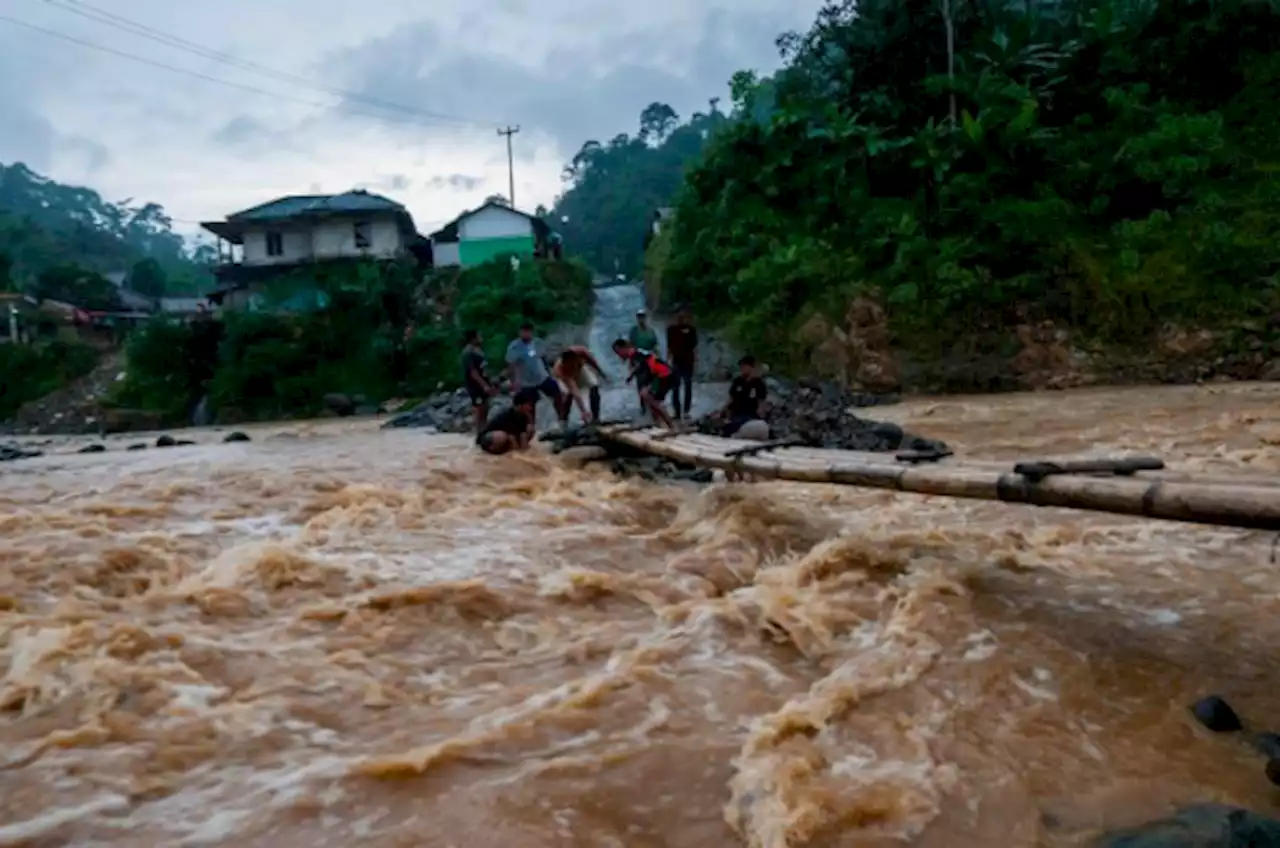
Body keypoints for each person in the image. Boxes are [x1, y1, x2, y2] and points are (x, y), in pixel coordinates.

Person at [612, 338, 675, 429]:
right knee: (651, 400)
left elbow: (647, 367)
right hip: (662, 374)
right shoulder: (636, 354)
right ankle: (658, 425)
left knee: (647, 396)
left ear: (624, 348)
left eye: (619, 352)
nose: (619, 356)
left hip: (663, 375)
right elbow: (640, 366)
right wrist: (631, 376)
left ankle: (670, 426)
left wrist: (647, 386)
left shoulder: (636, 355)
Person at [505, 322, 562, 416]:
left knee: (557, 394)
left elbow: (544, 359)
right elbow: (511, 365)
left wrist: (550, 374)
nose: (525, 334)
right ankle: (531, 426)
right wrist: (513, 382)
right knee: (530, 405)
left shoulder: (538, 343)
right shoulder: (514, 347)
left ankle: (561, 418)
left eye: (528, 331)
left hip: (541, 377)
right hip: (526, 382)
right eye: (523, 331)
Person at [552, 345, 606, 427]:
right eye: (569, 364)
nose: (571, 365)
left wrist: (601, 372)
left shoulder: (581, 352)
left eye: (573, 362)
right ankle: (563, 420)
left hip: (580, 370)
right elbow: (575, 391)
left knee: (594, 385)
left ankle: (596, 417)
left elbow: (592, 362)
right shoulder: (560, 369)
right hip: (567, 377)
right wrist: (583, 411)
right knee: (568, 394)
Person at [476, 388, 538, 455]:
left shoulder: (523, 415)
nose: (531, 407)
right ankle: (492, 452)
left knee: (530, 429)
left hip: (507, 438)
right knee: (502, 436)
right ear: (520, 405)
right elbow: (511, 438)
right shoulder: (507, 415)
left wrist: (526, 452)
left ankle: (505, 450)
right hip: (486, 439)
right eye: (529, 404)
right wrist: (518, 454)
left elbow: (523, 435)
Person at [719, 356, 769, 438]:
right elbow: (731, 399)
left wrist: (761, 415)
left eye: (744, 366)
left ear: (751, 367)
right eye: (741, 367)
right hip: (736, 413)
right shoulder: (738, 381)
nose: (742, 369)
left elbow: (761, 402)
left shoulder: (759, 384)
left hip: (750, 415)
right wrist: (723, 412)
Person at [461, 328, 498, 432]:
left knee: (486, 407)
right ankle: (478, 433)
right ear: (473, 338)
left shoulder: (479, 351)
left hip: (484, 383)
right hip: (475, 386)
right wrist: (484, 385)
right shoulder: (468, 352)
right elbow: (473, 373)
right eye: (479, 336)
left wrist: (491, 384)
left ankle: (483, 431)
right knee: (479, 408)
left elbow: (484, 369)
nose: (481, 338)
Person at [665, 305, 698, 420]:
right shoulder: (671, 330)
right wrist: (668, 360)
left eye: (683, 314)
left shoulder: (691, 329)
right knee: (675, 386)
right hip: (676, 360)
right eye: (678, 314)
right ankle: (677, 411)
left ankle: (686, 410)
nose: (680, 316)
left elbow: (694, 346)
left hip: (688, 360)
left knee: (688, 385)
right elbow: (669, 346)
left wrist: (695, 360)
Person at [628, 309, 660, 412]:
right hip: (639, 359)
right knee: (641, 383)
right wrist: (631, 362)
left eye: (643, 317)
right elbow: (631, 346)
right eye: (639, 317)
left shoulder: (650, 331)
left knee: (650, 383)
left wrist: (658, 358)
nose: (641, 319)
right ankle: (643, 407)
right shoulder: (634, 331)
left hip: (650, 358)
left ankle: (651, 404)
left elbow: (655, 345)